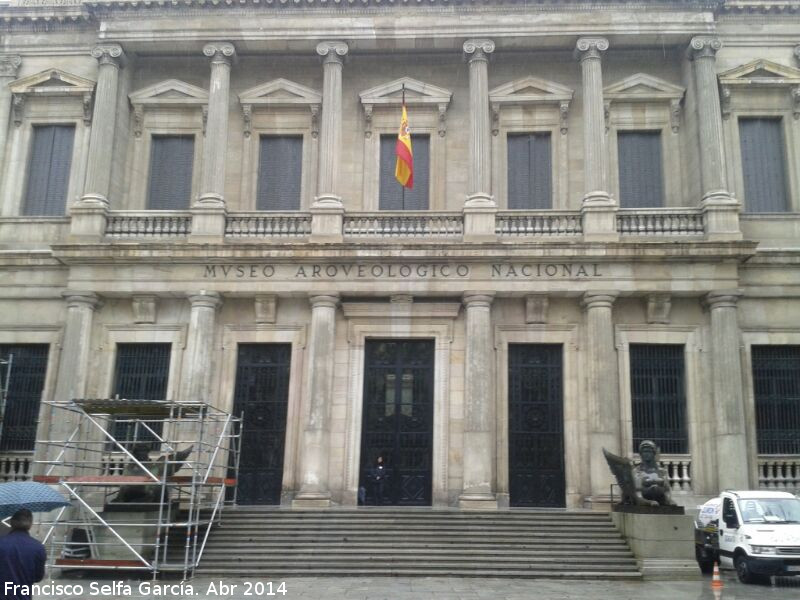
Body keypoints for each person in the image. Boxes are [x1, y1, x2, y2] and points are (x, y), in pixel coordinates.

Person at [0, 509, 47, 600]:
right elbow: (38, 577)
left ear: (11, 523)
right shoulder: (38, 547)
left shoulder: (1, 543)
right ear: (30, 524)